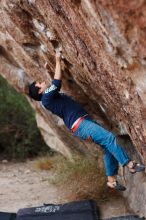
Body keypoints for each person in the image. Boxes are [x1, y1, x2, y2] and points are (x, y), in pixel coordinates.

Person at [29, 52, 145, 191]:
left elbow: (54, 85)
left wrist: (50, 70)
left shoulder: (48, 97)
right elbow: (56, 82)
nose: (42, 82)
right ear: (40, 91)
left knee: (107, 148)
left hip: (83, 123)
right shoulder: (46, 98)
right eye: (39, 83)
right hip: (81, 125)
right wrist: (58, 61)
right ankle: (129, 164)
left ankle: (111, 180)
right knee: (109, 138)